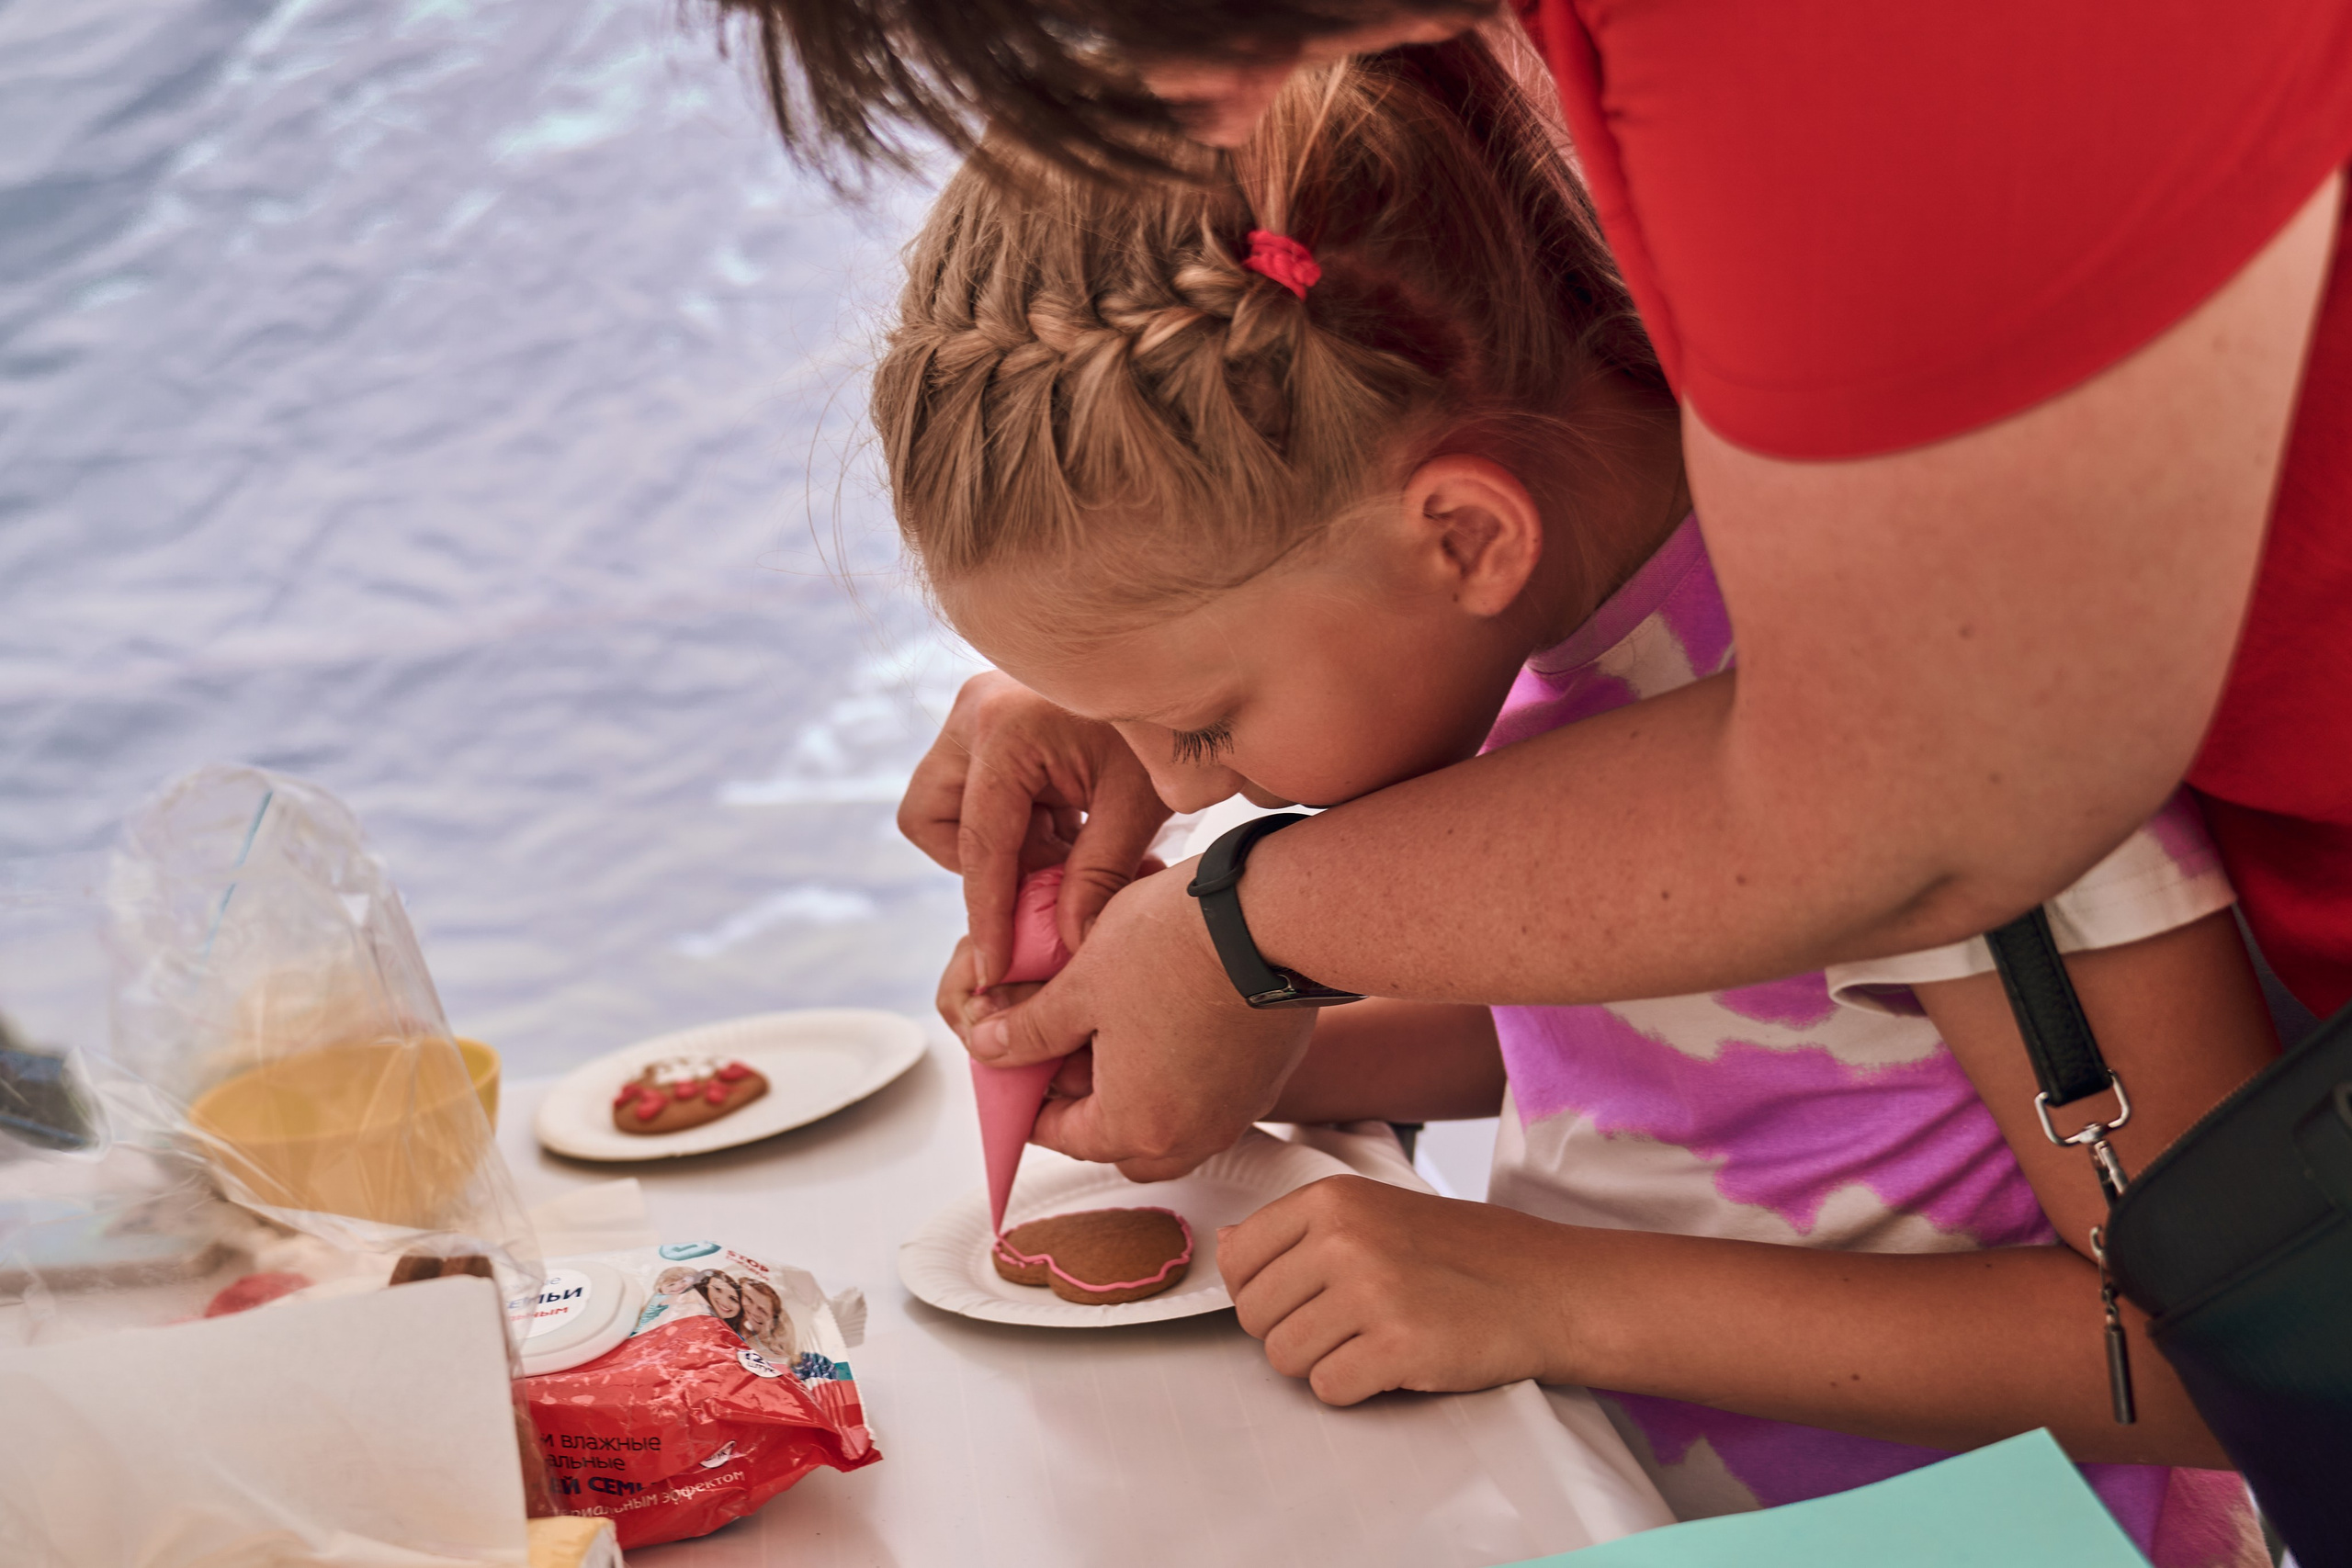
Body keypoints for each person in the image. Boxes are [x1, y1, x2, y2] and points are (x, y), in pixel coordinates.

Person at [871, 40, 2276, 1558]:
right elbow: (1688, 1045)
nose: (1172, 793)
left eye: (1201, 725)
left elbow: (2219, 1359)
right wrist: (1244, 1046)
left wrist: (1541, 1288)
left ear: (1465, 534)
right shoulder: (1540, 640)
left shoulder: (1913, 697)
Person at [720, 0, 2350, 1188]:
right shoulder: (1532, 606)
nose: (1210, 101)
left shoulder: (1840, 62)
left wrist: (1248, 930)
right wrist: (1136, 622)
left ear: (1468, 541)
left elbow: (1927, 815)